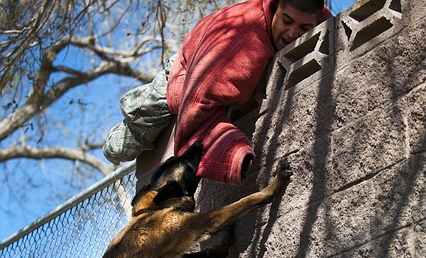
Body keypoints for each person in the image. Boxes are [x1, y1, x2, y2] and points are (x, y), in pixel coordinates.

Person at [103, 0, 331, 183]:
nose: (293, 33)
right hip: (180, 79)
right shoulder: (240, 46)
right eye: (287, 21)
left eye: (304, 28)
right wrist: (232, 156)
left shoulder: (317, 17)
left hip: (209, 64)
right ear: (275, 8)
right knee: (118, 149)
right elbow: (196, 108)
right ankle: (127, 122)